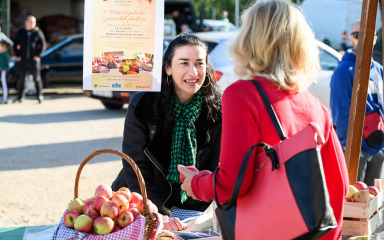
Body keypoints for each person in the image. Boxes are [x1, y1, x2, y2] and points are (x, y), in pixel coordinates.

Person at [179, 0, 349, 239]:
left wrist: (196, 183)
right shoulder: (315, 106)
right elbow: (340, 184)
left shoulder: (243, 95)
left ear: (249, 39)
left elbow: (231, 184)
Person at [111, 33, 222, 230]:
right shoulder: (143, 104)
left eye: (199, 63)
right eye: (184, 63)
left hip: (188, 211)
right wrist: (157, 213)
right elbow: (135, 164)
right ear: (168, 68)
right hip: (139, 202)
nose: (193, 72)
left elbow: (214, 167)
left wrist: (189, 213)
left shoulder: (217, 110)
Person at [330, 20, 384, 187]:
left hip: (377, 148)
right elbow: (341, 114)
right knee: (353, 203)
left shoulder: (378, 69)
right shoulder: (344, 71)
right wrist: (349, 148)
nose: (361, 39)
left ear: (374, 39)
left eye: (366, 35)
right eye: (356, 35)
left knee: (372, 203)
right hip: (356, 150)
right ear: (351, 39)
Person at [13, 14, 46, 103]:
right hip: (23, 59)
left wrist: (38, 55)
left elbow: (43, 45)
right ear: (26, 22)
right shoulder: (20, 32)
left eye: (34, 22)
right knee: (21, 78)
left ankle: (39, 96)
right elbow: (15, 44)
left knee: (37, 78)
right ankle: (20, 97)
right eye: (31, 22)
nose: (32, 23)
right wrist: (18, 55)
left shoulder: (37, 32)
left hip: (33, 60)